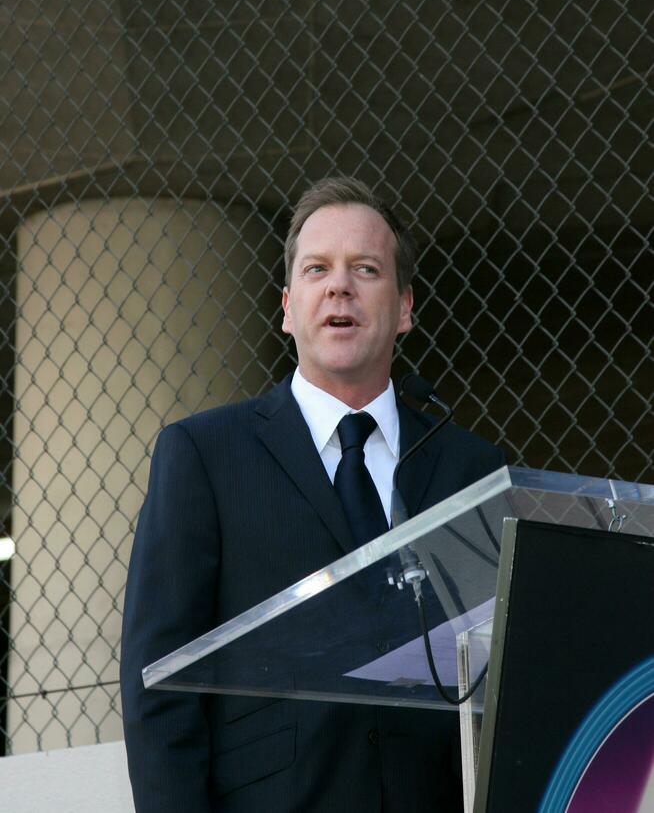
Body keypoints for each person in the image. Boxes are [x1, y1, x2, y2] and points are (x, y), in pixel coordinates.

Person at [120, 177, 505, 812]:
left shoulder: (471, 468)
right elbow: (158, 689)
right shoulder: (204, 455)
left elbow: (503, 671)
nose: (339, 286)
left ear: (405, 307)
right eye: (317, 269)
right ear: (287, 307)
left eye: (366, 268)